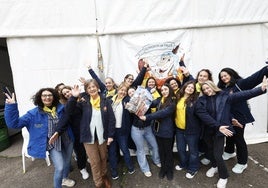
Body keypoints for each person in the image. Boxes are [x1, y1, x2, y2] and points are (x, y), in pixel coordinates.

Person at [195, 78, 267, 188]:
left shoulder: (225, 96)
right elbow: (204, 115)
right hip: (208, 130)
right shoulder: (201, 100)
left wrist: (260, 89)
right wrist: (218, 125)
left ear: (212, 86)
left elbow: (242, 95)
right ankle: (214, 166)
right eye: (204, 89)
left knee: (218, 154)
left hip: (221, 130)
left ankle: (223, 176)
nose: (206, 90)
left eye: (207, 87)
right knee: (210, 151)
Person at [4, 88, 75, 188]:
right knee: (60, 167)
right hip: (52, 144)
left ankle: (65, 178)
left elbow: (70, 116)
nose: (47, 97)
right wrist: (11, 106)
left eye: (50, 95)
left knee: (67, 162)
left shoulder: (61, 108)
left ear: (54, 97)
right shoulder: (33, 114)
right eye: (44, 95)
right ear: (40, 98)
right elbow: (14, 124)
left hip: (67, 140)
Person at [57, 80, 115, 188]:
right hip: (88, 137)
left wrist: (111, 135)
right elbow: (69, 111)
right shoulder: (83, 103)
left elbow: (111, 119)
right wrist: (73, 97)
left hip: (103, 136)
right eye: (89, 88)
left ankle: (104, 176)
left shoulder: (105, 101)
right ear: (87, 90)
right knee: (94, 161)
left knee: (103, 158)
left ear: (97, 88)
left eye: (94, 87)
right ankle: (98, 183)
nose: (92, 89)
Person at [217, 65, 268, 174]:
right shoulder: (222, 89)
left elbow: (254, 77)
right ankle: (229, 151)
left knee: (239, 138)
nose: (224, 78)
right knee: (229, 135)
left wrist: (266, 69)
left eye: (225, 75)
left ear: (231, 74)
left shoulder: (240, 84)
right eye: (221, 77)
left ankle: (242, 162)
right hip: (228, 117)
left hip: (240, 117)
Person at [139, 83, 176, 180]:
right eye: (162, 90)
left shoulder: (172, 101)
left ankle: (169, 170)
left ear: (170, 90)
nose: (164, 91)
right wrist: (138, 104)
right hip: (158, 131)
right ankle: (163, 169)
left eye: (166, 89)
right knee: (161, 151)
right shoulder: (160, 100)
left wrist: (146, 117)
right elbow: (150, 103)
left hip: (167, 132)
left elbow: (161, 113)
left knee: (168, 152)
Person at [51, 85, 89, 180]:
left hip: (88, 130)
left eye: (68, 91)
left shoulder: (82, 99)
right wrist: (58, 131)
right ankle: (82, 168)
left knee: (89, 149)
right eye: (65, 94)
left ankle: (89, 160)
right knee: (80, 152)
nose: (67, 94)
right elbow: (67, 115)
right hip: (77, 133)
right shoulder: (67, 105)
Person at [174, 80, 201, 179]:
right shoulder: (178, 98)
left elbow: (201, 114)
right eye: (188, 87)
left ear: (194, 90)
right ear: (184, 87)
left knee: (193, 151)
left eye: (192, 88)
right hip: (179, 130)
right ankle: (183, 164)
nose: (190, 88)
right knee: (181, 149)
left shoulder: (195, 100)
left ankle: (193, 168)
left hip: (192, 131)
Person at [108, 82, 135, 180]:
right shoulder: (110, 99)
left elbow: (133, 110)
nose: (123, 92)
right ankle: (114, 172)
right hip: (111, 131)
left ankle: (130, 167)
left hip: (122, 131)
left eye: (125, 91)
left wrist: (130, 106)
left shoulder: (127, 100)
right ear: (118, 89)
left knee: (124, 150)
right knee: (112, 152)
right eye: (121, 90)